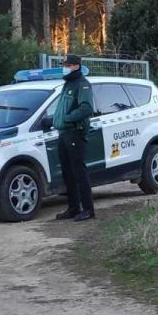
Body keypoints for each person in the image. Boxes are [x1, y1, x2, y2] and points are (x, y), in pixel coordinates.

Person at [53, 54, 96, 222]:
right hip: (64, 133)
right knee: (68, 173)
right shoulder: (67, 84)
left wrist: (67, 119)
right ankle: (73, 208)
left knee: (79, 172)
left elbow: (86, 108)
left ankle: (88, 209)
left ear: (76, 66)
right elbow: (64, 107)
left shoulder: (82, 84)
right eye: (64, 65)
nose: (65, 68)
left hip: (74, 133)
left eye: (68, 65)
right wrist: (55, 120)